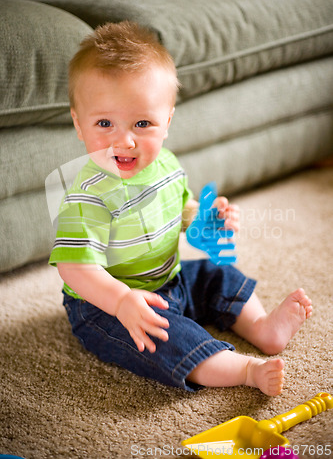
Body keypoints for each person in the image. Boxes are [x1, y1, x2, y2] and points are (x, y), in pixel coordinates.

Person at [49, 21, 312, 394]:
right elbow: (73, 267)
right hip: (104, 305)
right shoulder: (89, 195)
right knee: (163, 334)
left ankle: (262, 327)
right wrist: (122, 300)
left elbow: (182, 210)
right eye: (104, 123)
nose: (124, 140)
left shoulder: (167, 165)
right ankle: (245, 370)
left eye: (142, 123)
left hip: (167, 279)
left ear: (167, 121)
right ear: (78, 123)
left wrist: (207, 221)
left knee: (214, 272)